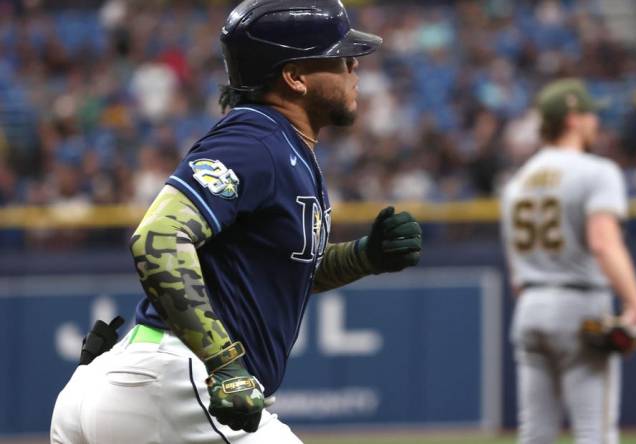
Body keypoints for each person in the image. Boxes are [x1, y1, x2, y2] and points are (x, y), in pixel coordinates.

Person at [50, 1, 422, 442]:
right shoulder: (255, 140)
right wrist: (224, 362)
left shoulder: (281, 144)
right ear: (295, 77)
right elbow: (157, 237)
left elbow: (274, 273)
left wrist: (363, 257)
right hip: (175, 384)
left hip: (132, 379)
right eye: (339, 56)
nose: (354, 65)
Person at [500, 78, 636, 444]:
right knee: (594, 433)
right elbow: (603, 242)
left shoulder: (517, 183)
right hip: (580, 303)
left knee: (535, 434)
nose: (595, 122)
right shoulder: (597, 171)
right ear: (572, 119)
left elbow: (516, 279)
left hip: (530, 308)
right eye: (589, 115)